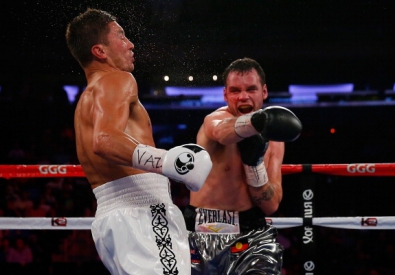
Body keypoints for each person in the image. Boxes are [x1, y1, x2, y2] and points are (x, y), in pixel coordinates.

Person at [65, 8, 212, 275]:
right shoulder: (118, 79)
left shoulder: (85, 101)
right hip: (142, 213)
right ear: (100, 51)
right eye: (121, 36)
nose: (130, 43)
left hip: (114, 218)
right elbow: (105, 140)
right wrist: (169, 162)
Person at [183, 57, 302, 274]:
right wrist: (257, 122)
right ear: (225, 94)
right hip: (203, 231)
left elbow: (271, 205)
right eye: (235, 90)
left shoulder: (275, 140)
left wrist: (253, 165)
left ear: (264, 92)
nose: (243, 97)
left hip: (251, 233)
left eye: (251, 89)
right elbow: (221, 132)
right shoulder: (215, 120)